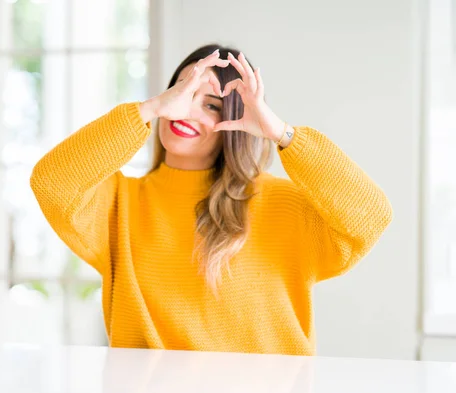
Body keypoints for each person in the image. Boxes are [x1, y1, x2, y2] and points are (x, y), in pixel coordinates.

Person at [30, 44, 393, 355]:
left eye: (213, 106)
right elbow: (50, 181)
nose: (188, 111)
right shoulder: (120, 203)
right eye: (183, 92)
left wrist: (281, 134)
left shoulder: (280, 204)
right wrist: (147, 110)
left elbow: (371, 215)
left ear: (236, 123)